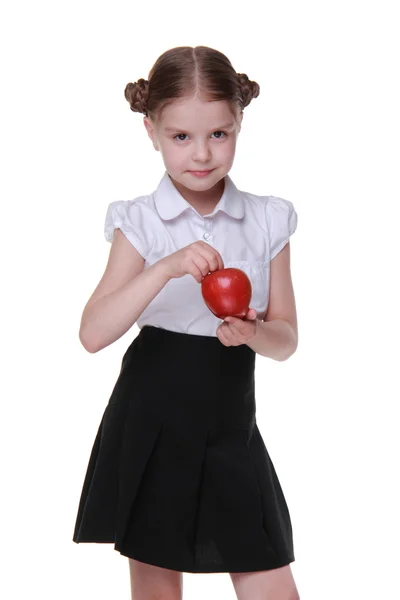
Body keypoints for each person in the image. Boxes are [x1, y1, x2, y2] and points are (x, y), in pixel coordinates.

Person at [72, 45, 300, 600]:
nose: (201, 154)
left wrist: (253, 332)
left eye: (219, 134)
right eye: (180, 137)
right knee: (157, 589)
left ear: (239, 123)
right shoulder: (140, 221)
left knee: (270, 579)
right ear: (151, 130)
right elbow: (93, 333)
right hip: (151, 418)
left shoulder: (268, 219)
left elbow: (287, 340)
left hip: (231, 425)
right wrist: (166, 268)